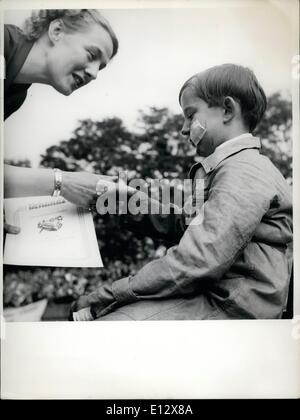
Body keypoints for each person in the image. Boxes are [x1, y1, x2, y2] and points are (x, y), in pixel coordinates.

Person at [71, 63, 293, 321]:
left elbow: (198, 258)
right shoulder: (228, 167)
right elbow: (187, 224)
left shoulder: (244, 171)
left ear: (228, 109)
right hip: (216, 295)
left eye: (190, 114)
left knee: (112, 324)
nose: (184, 128)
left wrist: (106, 295)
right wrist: (118, 199)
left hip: (231, 306)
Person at [4, 9, 119, 232]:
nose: (94, 74)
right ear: (56, 31)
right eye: (91, 54)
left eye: (101, 67)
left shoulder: (15, 94)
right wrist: (63, 182)